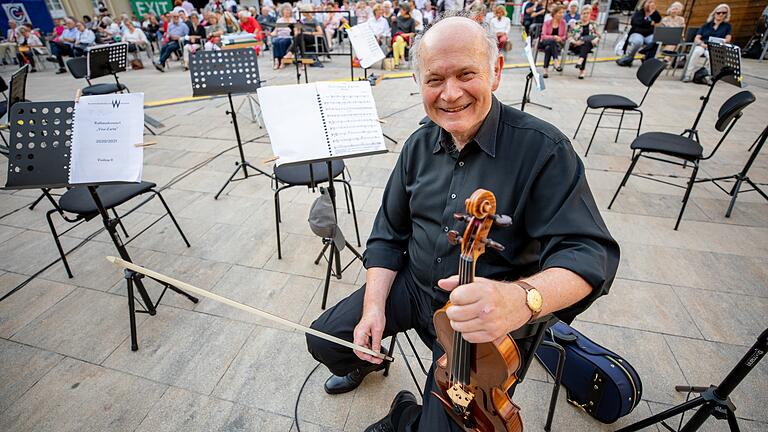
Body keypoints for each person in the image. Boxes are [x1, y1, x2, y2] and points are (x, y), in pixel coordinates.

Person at [306, 14, 619, 432]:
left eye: (466, 74)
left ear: (495, 73)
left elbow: (590, 254)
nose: (450, 94)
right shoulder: (418, 144)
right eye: (435, 79)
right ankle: (369, 362)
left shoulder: (544, 150)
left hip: (485, 322)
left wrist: (521, 299)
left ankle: (405, 416)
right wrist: (374, 308)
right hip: (415, 288)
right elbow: (388, 234)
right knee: (324, 338)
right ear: (420, 83)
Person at [683, 3, 732, 82]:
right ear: (714, 13)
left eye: (724, 13)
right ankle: (688, 75)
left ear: (726, 14)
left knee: (712, 57)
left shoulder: (727, 26)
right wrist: (702, 44)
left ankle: (708, 77)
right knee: (696, 52)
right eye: (719, 12)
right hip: (703, 45)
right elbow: (697, 38)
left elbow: (728, 38)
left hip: (715, 47)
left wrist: (721, 42)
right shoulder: (706, 25)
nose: (721, 14)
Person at [616, 0, 661, 66]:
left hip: (648, 34)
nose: (651, 4)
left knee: (656, 41)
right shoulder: (639, 13)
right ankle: (630, 57)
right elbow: (636, 22)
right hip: (637, 33)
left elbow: (658, 20)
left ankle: (647, 59)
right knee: (638, 41)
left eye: (652, 2)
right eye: (649, 2)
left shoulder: (654, 13)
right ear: (644, 4)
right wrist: (649, 23)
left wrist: (653, 12)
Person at [568, 4, 600, 79]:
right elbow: (569, 37)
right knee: (585, 46)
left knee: (586, 43)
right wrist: (575, 42)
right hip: (576, 45)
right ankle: (582, 69)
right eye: (584, 13)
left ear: (590, 14)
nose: (586, 15)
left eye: (588, 13)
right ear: (581, 14)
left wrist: (596, 39)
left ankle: (580, 61)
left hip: (588, 44)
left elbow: (598, 35)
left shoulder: (593, 24)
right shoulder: (576, 24)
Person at [540, 5, 566, 78]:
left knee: (548, 48)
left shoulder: (563, 23)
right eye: (560, 13)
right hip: (545, 42)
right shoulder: (547, 22)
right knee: (552, 41)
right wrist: (554, 37)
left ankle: (545, 70)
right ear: (554, 14)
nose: (562, 14)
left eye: (563, 13)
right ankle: (556, 61)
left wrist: (560, 38)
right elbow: (543, 36)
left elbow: (564, 36)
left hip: (557, 44)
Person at [390, 3, 416, 68]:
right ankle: (402, 58)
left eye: (402, 9)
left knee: (395, 45)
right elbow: (395, 30)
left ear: (406, 10)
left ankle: (397, 64)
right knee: (399, 38)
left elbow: (413, 33)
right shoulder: (398, 18)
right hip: (398, 37)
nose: (400, 11)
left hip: (406, 40)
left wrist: (405, 35)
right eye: (400, 9)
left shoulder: (411, 20)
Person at [271, 4, 294, 69]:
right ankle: (277, 60)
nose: (287, 12)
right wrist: (271, 33)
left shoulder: (293, 20)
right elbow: (275, 31)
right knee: (276, 41)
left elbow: (295, 31)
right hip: (280, 37)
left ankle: (282, 60)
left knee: (281, 42)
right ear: (282, 11)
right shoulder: (279, 20)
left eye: (289, 10)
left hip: (289, 37)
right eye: (286, 10)